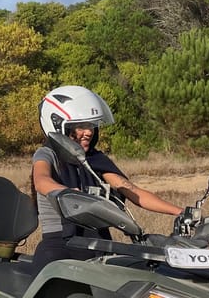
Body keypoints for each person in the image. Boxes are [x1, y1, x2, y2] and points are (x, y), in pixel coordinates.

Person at [28, 85, 183, 276]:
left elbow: (131, 190)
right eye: (81, 125)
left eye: (92, 125)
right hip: (61, 245)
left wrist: (180, 212)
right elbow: (41, 180)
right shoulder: (47, 154)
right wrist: (64, 192)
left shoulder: (94, 159)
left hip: (100, 244)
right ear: (58, 123)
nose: (89, 132)